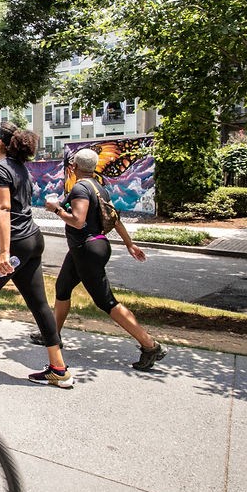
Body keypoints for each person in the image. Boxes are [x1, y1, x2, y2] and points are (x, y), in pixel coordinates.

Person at [42, 148, 167, 371]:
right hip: (87, 248)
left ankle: (150, 346)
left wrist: (56, 209)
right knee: (62, 288)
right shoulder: (99, 188)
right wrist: (129, 243)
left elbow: (78, 221)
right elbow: (114, 219)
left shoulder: (80, 188)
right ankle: (53, 335)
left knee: (106, 301)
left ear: (74, 167)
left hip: (87, 249)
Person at [0, 122, 73, 388]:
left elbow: (3, 209)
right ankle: (58, 369)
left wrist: (4, 252)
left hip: (10, 245)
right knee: (39, 304)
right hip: (31, 240)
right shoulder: (19, 168)